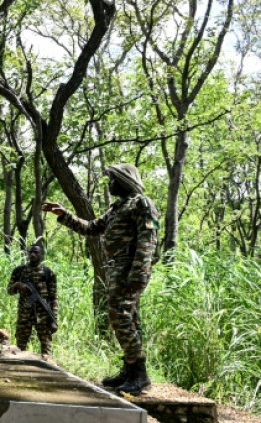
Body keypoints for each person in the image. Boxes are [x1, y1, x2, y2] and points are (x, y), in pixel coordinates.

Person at [43, 163, 159, 395]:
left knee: (120, 316)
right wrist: (64, 215)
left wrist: (138, 273)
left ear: (124, 181)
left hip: (130, 267)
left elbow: (148, 240)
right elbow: (92, 228)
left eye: (113, 179)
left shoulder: (141, 203)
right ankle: (130, 369)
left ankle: (140, 375)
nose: (109, 183)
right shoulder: (118, 208)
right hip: (118, 267)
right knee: (129, 319)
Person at [7, 243, 58, 357]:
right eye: (31, 252)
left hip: (43, 316)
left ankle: (46, 371)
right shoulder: (19, 271)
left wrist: (54, 319)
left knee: (46, 350)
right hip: (24, 315)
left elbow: (54, 297)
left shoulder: (48, 273)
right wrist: (17, 285)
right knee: (20, 347)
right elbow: (9, 291)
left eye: (36, 252)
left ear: (42, 255)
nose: (33, 254)